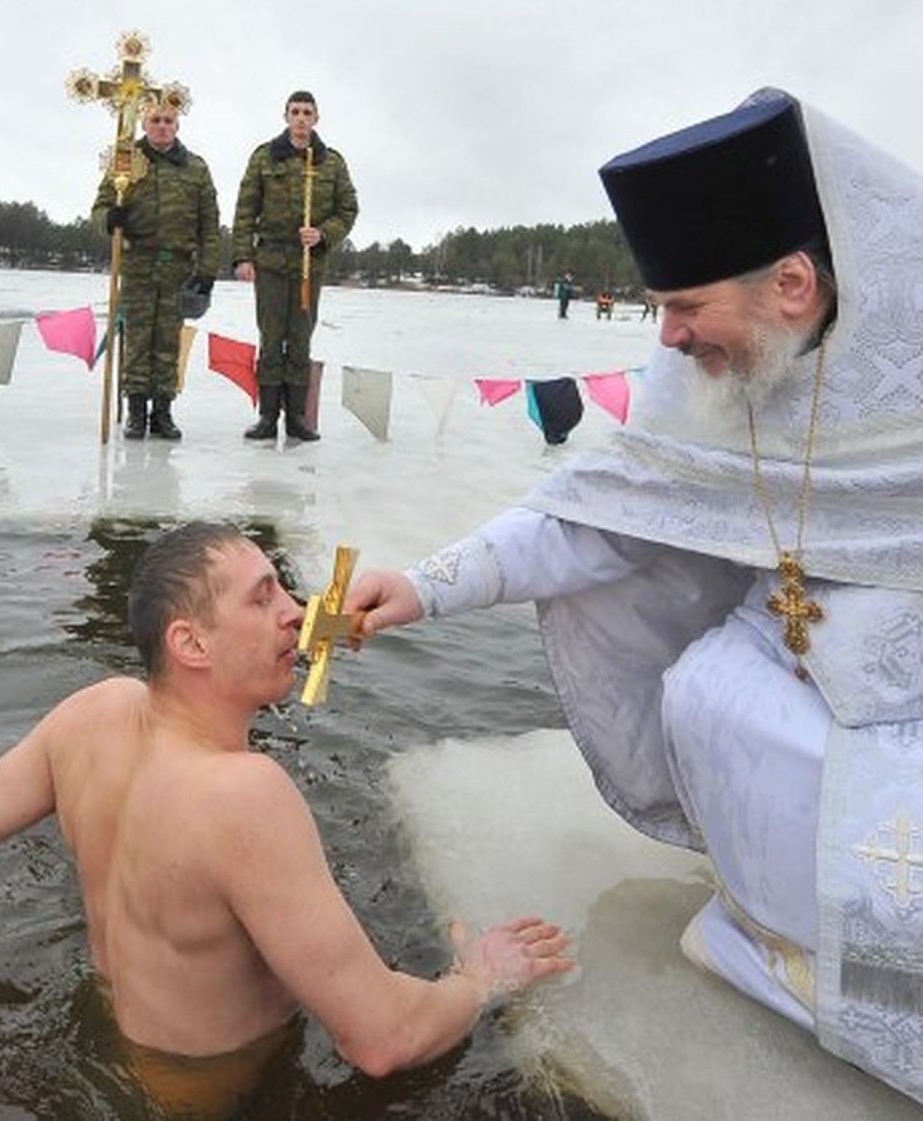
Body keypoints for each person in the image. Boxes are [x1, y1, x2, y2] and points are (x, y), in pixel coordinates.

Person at [347, 89, 923, 1105]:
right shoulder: (708, 370)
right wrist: (425, 588)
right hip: (787, 636)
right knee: (708, 691)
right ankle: (775, 929)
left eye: (684, 308)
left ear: (792, 284)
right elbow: (595, 519)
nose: (663, 339)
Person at [0, 521, 572, 1114]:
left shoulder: (91, 714)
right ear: (190, 645)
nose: (296, 612)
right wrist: (479, 979)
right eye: (263, 596)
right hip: (208, 1097)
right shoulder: (246, 794)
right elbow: (380, 1041)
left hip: (104, 1055)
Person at [91, 89, 220, 441]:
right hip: (137, 264)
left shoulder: (196, 168)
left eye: (168, 121)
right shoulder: (126, 162)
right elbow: (99, 209)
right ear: (145, 124)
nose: (162, 127)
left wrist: (207, 271)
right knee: (137, 339)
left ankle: (162, 411)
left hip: (178, 267)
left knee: (168, 342)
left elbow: (209, 224)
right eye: (155, 121)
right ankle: (135, 411)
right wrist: (110, 218)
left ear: (177, 126)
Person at [232, 90, 358, 442]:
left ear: (316, 119)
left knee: (300, 339)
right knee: (271, 338)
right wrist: (243, 256)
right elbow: (245, 209)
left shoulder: (330, 162)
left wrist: (322, 234)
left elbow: (347, 209)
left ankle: (297, 418)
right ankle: (268, 417)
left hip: (308, 264)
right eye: (295, 112)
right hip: (271, 260)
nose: (301, 118)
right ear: (285, 117)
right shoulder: (264, 157)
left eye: (307, 113)